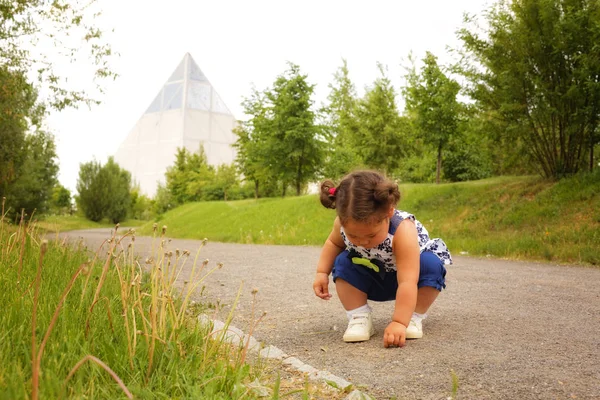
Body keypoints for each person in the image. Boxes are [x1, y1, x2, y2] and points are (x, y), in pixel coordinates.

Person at [312, 170, 452, 348]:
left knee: (431, 264)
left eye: (371, 235)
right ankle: (359, 316)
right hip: (374, 278)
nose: (362, 242)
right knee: (342, 261)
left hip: (411, 282)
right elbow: (333, 243)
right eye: (353, 236)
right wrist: (321, 272)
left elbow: (408, 281)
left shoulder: (403, 230)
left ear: (389, 213)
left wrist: (399, 322)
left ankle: (413, 317)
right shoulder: (342, 223)